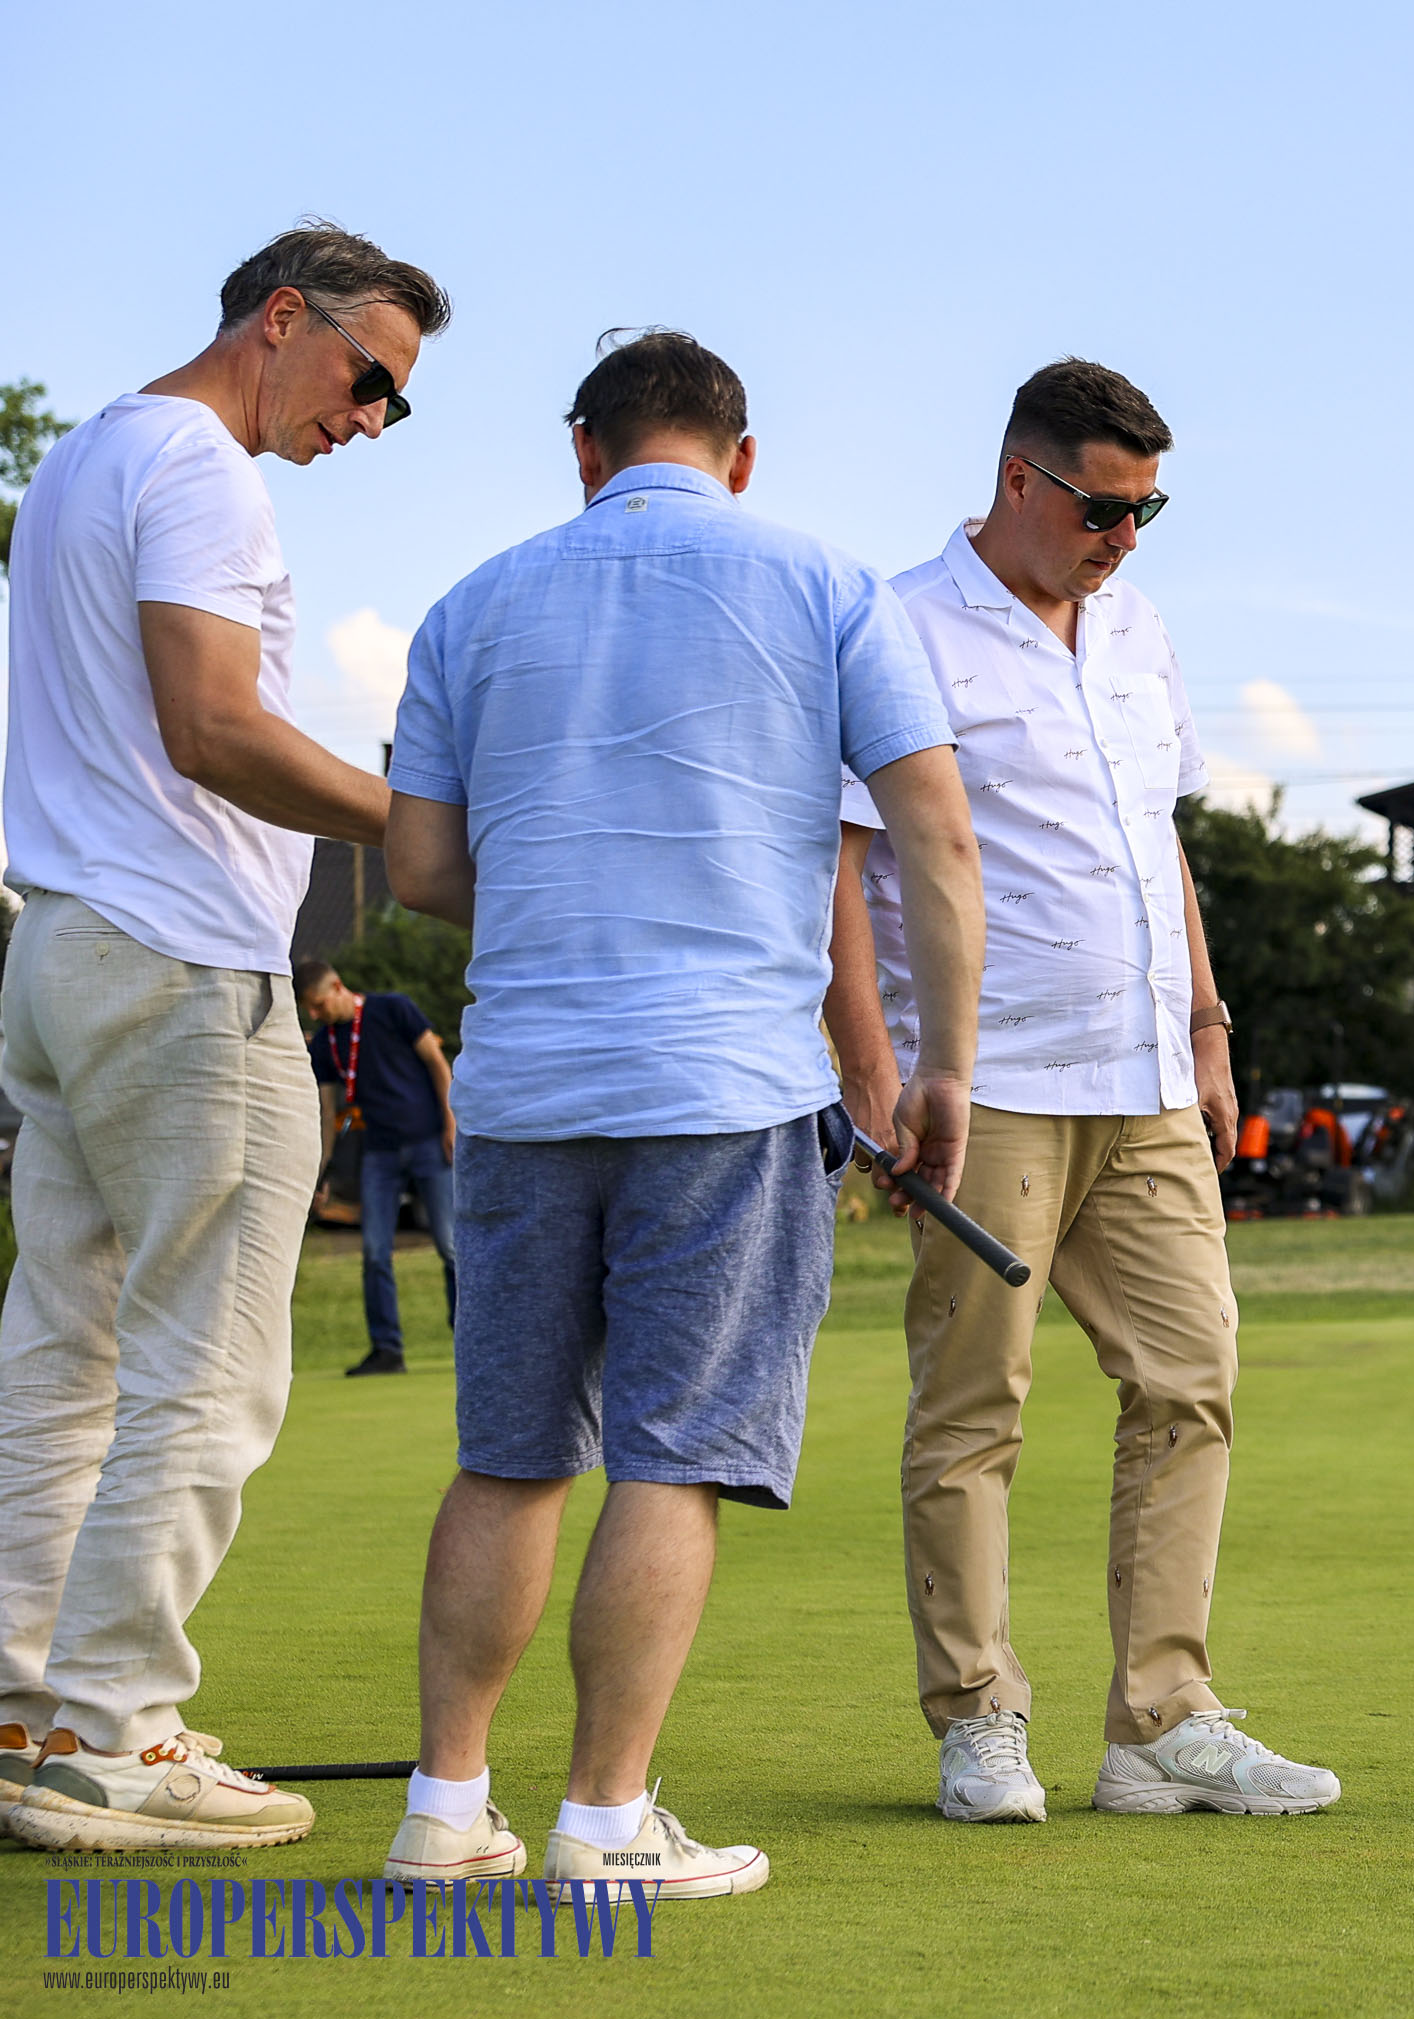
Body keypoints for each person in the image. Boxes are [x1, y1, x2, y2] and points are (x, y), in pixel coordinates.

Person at [377, 330, 982, 1897]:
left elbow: (424, 873)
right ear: (742, 453)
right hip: (722, 1087)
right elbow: (937, 844)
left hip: (521, 1089)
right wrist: (937, 1062)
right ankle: (601, 1822)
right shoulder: (831, 585)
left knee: (509, 1452)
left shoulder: (471, 603)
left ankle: (446, 1812)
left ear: (583, 451)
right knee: (673, 1457)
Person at [824, 358, 1341, 1824]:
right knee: (973, 1408)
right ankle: (981, 1718)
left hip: (1147, 1079)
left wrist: (1209, 1020)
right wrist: (876, 1068)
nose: (1126, 538)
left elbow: (1154, 840)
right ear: (1019, 481)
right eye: (1105, 508)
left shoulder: (1138, 627)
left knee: (1193, 1380)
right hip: (982, 1090)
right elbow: (845, 871)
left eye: (1149, 509)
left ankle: (1159, 1725)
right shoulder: (901, 626)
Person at [0, 224, 448, 1853]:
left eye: (397, 402)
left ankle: (25, 1711)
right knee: (210, 1362)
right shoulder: (203, 464)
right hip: (181, 966)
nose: (373, 420)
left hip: (60, 956)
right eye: (369, 377)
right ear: (283, 320)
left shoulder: (83, 459)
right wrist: (415, 828)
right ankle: (112, 1728)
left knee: (65, 1348)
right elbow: (212, 722)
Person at [295, 959, 457, 1377]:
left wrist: (452, 1123)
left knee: (450, 1243)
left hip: (428, 1141)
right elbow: (328, 1109)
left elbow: (437, 1064)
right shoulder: (327, 1043)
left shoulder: (393, 1009)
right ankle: (387, 1350)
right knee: (374, 1251)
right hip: (379, 1153)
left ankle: (469, 1339)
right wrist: (322, 1171)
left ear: (337, 987)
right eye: (309, 1009)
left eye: (318, 1005)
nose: (315, 1015)